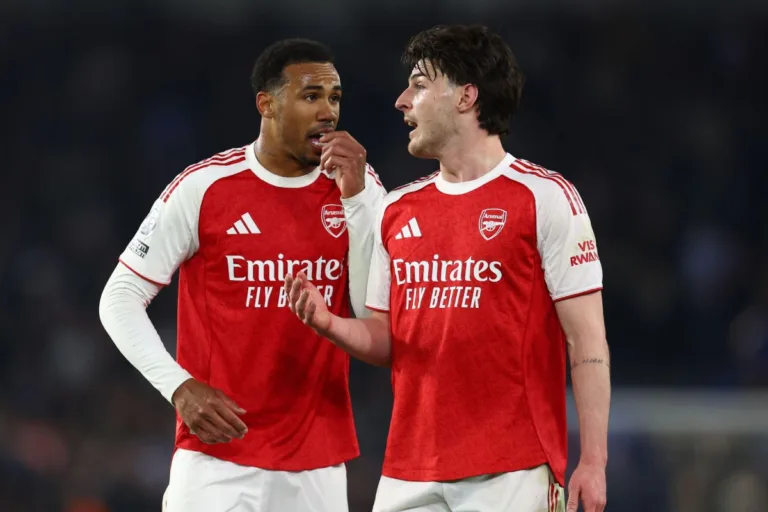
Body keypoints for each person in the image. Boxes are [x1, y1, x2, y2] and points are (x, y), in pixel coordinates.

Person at [285, 25, 609, 512]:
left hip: (513, 470)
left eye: (418, 85)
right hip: (407, 472)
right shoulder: (397, 210)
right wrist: (328, 323)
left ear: (466, 97)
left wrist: (594, 461)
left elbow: (587, 343)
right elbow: (387, 339)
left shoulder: (545, 198)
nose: (401, 101)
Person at [99, 38, 385, 512]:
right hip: (217, 458)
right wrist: (178, 386)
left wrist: (356, 199)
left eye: (335, 98)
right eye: (311, 96)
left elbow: (367, 313)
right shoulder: (205, 187)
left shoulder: (358, 187)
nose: (328, 112)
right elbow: (119, 296)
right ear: (266, 104)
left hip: (318, 462)